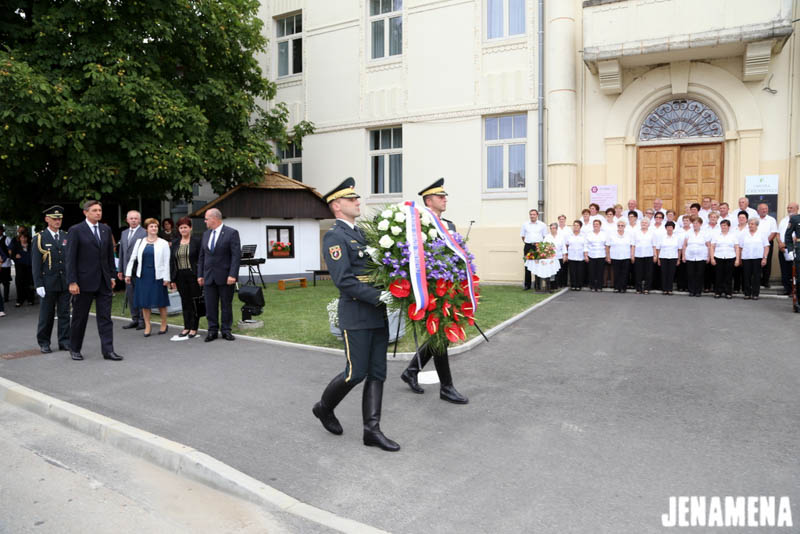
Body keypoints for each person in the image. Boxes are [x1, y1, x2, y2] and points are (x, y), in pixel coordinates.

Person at [313, 177, 399, 452]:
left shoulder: (362, 234)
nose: (357, 202)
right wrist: (377, 296)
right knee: (355, 372)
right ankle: (324, 407)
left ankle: (372, 430)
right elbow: (344, 280)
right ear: (337, 206)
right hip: (357, 314)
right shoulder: (334, 237)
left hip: (377, 314)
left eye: (356, 198)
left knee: (378, 372)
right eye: (351, 199)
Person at [401, 178, 468, 404]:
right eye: (440, 196)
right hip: (428, 287)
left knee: (439, 334)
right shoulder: (419, 224)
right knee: (440, 334)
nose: (445, 199)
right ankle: (446, 387)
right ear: (429, 201)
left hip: (448, 287)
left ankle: (411, 371)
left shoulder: (449, 225)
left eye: (445, 196)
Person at [65, 200, 122, 361]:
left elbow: (109, 255)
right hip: (83, 282)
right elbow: (70, 258)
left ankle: (108, 350)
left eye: (100, 210)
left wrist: (112, 275)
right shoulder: (76, 230)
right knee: (80, 317)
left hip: (103, 281)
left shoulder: (105, 229)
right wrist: (72, 281)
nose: (98, 213)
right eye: (94, 210)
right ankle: (75, 348)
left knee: (105, 318)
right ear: (86, 212)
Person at [197, 208, 241, 342]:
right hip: (208, 276)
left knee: (226, 305)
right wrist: (200, 275)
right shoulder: (206, 234)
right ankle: (212, 330)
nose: (205, 221)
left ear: (214, 218)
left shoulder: (231, 233)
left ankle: (226, 330)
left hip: (226, 276)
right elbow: (202, 256)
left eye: (206, 219)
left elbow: (236, 256)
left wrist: (233, 275)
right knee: (210, 305)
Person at [31, 205, 70, 353]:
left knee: (64, 314)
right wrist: (38, 284)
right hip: (48, 283)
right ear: (47, 219)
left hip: (64, 282)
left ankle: (64, 341)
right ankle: (44, 342)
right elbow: (36, 264)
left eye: (59, 218)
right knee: (46, 315)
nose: (57, 221)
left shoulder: (66, 236)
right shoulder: (40, 238)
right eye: (54, 219)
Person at [125, 218, 171, 336]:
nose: (154, 228)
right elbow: (132, 258)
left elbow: (167, 262)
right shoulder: (140, 242)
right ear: (146, 229)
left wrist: (167, 278)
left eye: (156, 226)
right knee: (144, 302)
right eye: (151, 226)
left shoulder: (163, 243)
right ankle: (147, 325)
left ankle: (164, 324)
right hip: (143, 275)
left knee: (161, 301)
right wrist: (128, 274)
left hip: (158, 275)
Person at [170, 217, 202, 338]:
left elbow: (201, 259)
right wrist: (172, 279)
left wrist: (201, 275)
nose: (183, 229)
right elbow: (172, 262)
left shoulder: (197, 241)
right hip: (180, 276)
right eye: (181, 228)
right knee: (185, 301)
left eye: (185, 227)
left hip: (193, 275)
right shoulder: (175, 243)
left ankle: (194, 327)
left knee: (194, 302)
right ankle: (186, 327)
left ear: (190, 228)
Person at [117, 210, 147, 330]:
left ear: (139, 220)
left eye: (136, 218)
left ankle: (142, 320)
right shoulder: (124, 233)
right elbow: (122, 252)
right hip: (127, 270)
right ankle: (134, 319)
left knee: (141, 295)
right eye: (131, 218)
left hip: (140, 269)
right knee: (130, 295)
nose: (133, 220)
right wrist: (120, 269)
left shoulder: (144, 232)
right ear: (127, 220)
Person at [737, 218, 769, 300]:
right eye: (749, 224)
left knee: (756, 276)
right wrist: (739, 258)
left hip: (757, 258)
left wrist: (765, 258)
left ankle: (755, 294)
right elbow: (740, 247)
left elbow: (766, 247)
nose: (750, 225)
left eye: (752, 224)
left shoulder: (762, 234)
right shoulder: (744, 234)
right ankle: (747, 293)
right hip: (746, 258)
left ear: (757, 225)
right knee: (746, 276)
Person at [521, 209, 547, 291]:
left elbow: (545, 237)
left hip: (537, 247)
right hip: (528, 246)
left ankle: (537, 285)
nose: (532, 216)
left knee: (537, 265)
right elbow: (523, 236)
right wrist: (529, 243)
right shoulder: (525, 224)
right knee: (527, 265)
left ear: (537, 215)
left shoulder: (542, 225)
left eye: (534, 214)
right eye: (531, 214)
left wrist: (539, 246)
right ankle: (527, 285)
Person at [709, 220, 736, 299]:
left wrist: (737, 259)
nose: (723, 227)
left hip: (730, 257)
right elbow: (712, 247)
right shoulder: (716, 235)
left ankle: (728, 292)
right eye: (722, 225)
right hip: (718, 257)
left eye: (725, 225)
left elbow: (736, 247)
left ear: (729, 227)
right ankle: (718, 292)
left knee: (729, 276)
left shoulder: (733, 236)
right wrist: (712, 258)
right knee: (718, 275)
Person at [683, 216, 709, 297]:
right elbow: (684, 245)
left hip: (701, 257)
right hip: (690, 257)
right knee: (690, 274)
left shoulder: (705, 233)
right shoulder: (688, 233)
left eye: (697, 223)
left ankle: (698, 291)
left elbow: (708, 245)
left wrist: (708, 256)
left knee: (699, 274)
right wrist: (683, 255)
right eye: (694, 223)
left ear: (700, 224)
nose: (695, 224)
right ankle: (691, 290)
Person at [777, 202, 799, 296]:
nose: (789, 209)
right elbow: (778, 234)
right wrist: (780, 244)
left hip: (794, 248)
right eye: (788, 208)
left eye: (791, 208)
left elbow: (796, 237)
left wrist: (786, 244)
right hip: (782, 249)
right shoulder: (783, 220)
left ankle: (795, 290)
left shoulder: (797, 219)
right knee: (785, 270)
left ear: (797, 208)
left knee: (794, 271)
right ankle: (787, 289)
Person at [605, 219, 632, 293]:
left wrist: (632, 255)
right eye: (619, 225)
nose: (620, 227)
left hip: (626, 256)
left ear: (625, 226)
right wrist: (608, 256)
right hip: (615, 256)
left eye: (622, 225)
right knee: (616, 273)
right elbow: (607, 246)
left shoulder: (629, 234)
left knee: (625, 273)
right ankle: (616, 287)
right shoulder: (612, 234)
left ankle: (623, 287)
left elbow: (631, 246)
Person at [755, 203, 778, 289]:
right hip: (756, 244)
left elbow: (774, 232)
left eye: (766, 209)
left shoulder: (771, 220)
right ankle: (757, 281)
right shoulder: (754, 219)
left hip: (768, 243)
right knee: (756, 262)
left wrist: (765, 242)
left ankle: (765, 281)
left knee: (767, 262)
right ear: (758, 210)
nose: (764, 210)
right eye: (762, 209)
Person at [654, 221, 680, 295]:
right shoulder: (662, 237)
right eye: (668, 227)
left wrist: (678, 259)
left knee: (671, 274)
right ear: (665, 228)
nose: (669, 228)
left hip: (673, 257)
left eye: (671, 227)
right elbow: (658, 249)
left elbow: (679, 249)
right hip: (663, 257)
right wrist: (658, 259)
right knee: (664, 273)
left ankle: (670, 289)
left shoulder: (677, 238)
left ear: (673, 228)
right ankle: (664, 289)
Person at [11, 229, 35, 306]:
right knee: (19, 284)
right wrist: (15, 256)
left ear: (27, 238)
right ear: (19, 238)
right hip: (20, 268)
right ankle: (19, 300)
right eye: (22, 238)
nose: (23, 239)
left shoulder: (31, 245)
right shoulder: (16, 246)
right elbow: (11, 255)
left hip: (29, 267)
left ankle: (30, 299)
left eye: (25, 237)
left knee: (30, 283)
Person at [631, 217, 655, 294]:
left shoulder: (652, 233)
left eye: (645, 223)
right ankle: (638, 288)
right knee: (638, 272)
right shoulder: (636, 233)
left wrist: (655, 255)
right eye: (642, 222)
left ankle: (647, 288)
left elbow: (654, 245)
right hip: (638, 255)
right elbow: (633, 245)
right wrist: (632, 255)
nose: (644, 224)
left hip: (649, 254)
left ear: (648, 224)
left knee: (648, 273)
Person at [565, 220, 587, 290]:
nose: (575, 227)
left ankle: (579, 285)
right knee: (572, 271)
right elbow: (566, 245)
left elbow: (585, 246)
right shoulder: (569, 235)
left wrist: (585, 255)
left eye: (577, 225)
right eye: (574, 225)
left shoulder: (583, 235)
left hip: (580, 256)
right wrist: (566, 255)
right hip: (571, 256)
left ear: (580, 227)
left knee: (580, 272)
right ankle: (573, 285)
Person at [585, 219, 606, 292]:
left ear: (600, 225)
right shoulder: (589, 234)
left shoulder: (604, 234)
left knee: (600, 272)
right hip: (591, 255)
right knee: (592, 272)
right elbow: (586, 245)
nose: (595, 225)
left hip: (601, 255)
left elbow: (606, 245)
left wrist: (607, 255)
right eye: (594, 224)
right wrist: (586, 255)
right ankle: (592, 286)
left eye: (597, 224)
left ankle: (600, 286)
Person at [546, 222, 566, 290]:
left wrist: (564, 255)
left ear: (557, 229)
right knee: (552, 272)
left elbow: (563, 247)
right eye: (551, 228)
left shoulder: (561, 237)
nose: (552, 229)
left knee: (559, 272)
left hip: (559, 257)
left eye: (554, 228)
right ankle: (552, 286)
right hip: (550, 258)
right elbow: (544, 247)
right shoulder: (547, 237)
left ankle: (558, 285)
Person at [0, 225, 11, 302]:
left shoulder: (7, 239)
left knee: (5, 282)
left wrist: (6, 258)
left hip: (5, 263)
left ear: (2, 231)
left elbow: (10, 250)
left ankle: (6, 297)